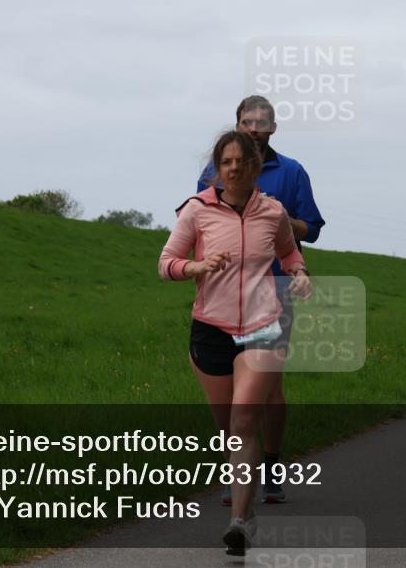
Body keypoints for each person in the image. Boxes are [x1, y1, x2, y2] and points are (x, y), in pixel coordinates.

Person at [160, 131, 312, 555]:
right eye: (225, 162)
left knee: (244, 421)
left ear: (254, 166)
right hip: (211, 326)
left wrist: (299, 274)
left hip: (263, 324)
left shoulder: (273, 212)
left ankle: (239, 522)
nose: (233, 168)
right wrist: (197, 266)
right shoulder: (196, 210)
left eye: (241, 162)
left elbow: (290, 254)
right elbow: (165, 263)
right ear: (217, 168)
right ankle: (248, 505)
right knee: (228, 428)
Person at [198, 95, 325, 505]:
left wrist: (270, 214)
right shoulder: (214, 169)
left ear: (273, 129)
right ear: (236, 124)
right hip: (222, 295)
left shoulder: (291, 172)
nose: (254, 128)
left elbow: (312, 230)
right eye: (247, 121)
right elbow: (199, 223)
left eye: (262, 122)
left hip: (275, 290)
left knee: (268, 390)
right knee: (230, 391)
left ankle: (270, 463)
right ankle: (236, 472)